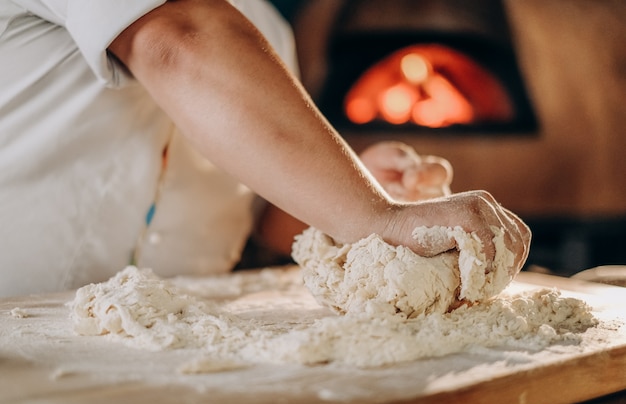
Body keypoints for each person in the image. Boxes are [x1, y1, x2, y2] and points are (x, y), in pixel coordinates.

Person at [0, 0, 530, 297]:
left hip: (177, 358)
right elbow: (176, 38)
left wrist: (359, 186)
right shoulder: (204, 28)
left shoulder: (266, 25)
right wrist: (376, 216)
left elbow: (251, 209)